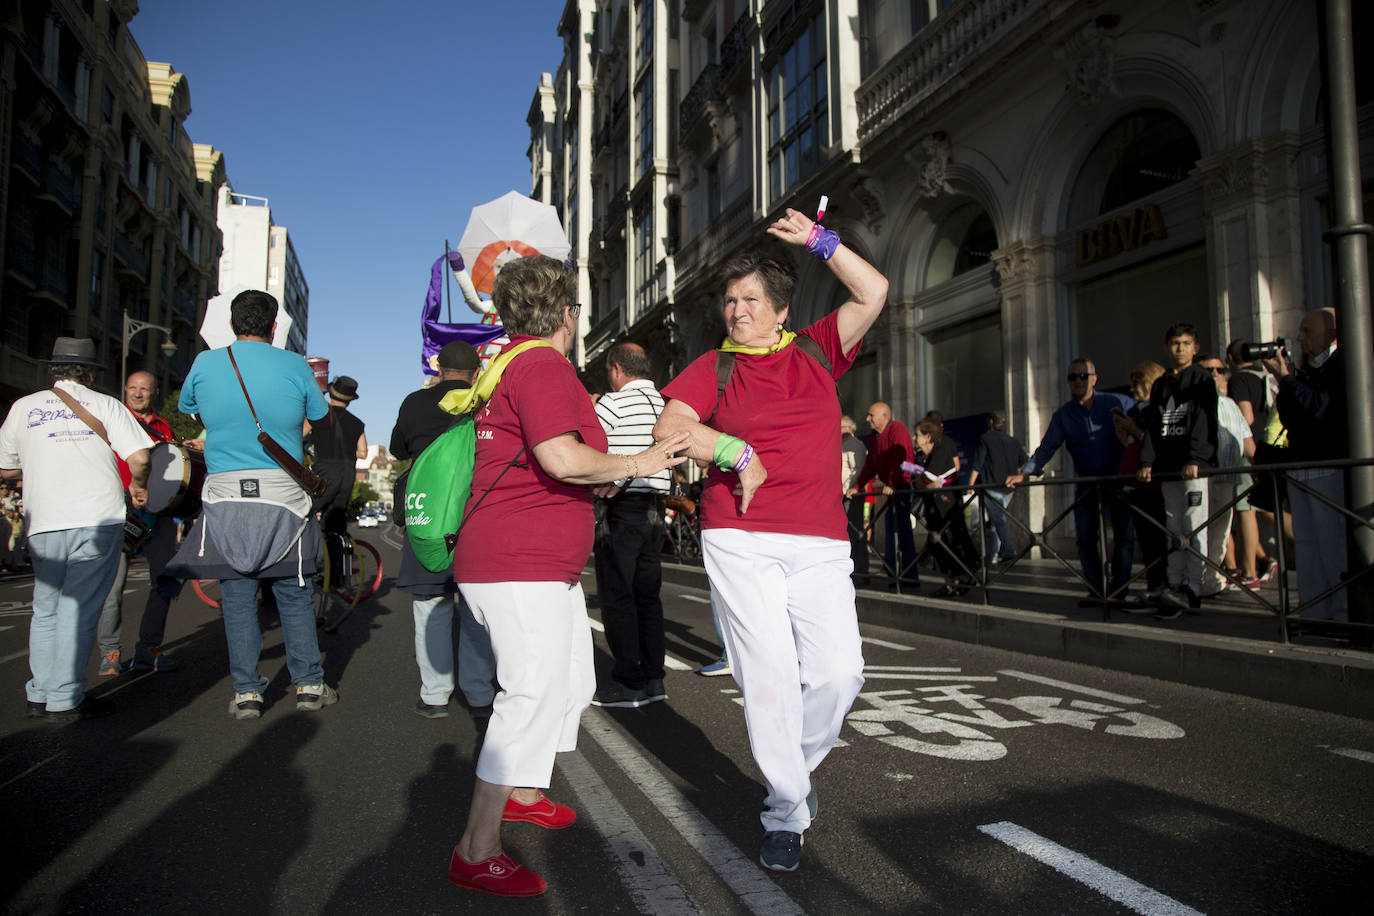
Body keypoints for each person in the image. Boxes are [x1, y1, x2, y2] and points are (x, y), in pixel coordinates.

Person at [656, 208, 889, 873]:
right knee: (768, 678)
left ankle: (795, 769)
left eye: (750, 299)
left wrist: (821, 241)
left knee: (840, 674)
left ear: (780, 309)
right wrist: (731, 448)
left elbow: (873, 292)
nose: (736, 310)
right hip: (740, 536)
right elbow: (671, 428)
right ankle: (786, 807)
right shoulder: (713, 368)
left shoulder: (818, 349)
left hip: (819, 539)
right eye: (730, 301)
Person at [447, 255, 686, 898]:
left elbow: (555, 459)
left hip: (532, 563)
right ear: (568, 315)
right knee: (528, 694)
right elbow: (558, 456)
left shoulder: (511, 363)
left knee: (572, 680)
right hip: (516, 561)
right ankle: (476, 848)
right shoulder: (542, 363)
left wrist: (602, 474)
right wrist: (641, 460)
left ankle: (523, 791)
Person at [168, 289, 337, 719]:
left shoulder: (207, 362)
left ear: (231, 324)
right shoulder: (294, 365)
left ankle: (247, 692)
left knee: (238, 595)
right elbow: (321, 419)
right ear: (275, 326)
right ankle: (310, 684)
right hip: (284, 491)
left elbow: (189, 407)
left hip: (225, 491)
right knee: (294, 592)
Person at [0, 337, 153, 720]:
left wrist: (37, 463)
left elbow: (4, 467)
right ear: (88, 373)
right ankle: (65, 698)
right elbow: (139, 456)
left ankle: (40, 692)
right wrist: (138, 484)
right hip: (96, 519)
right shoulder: (105, 405)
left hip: (44, 520)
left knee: (46, 608)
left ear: (53, 370)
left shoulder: (23, 408)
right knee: (80, 610)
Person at [389, 341, 495, 721]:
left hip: (429, 513)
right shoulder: (483, 401)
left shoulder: (414, 402)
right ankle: (480, 692)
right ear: (475, 372)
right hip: (475, 511)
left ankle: (435, 695)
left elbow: (398, 449)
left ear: (439, 370)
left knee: (430, 608)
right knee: (476, 609)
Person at [1005, 358, 1135, 605]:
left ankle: (1121, 589)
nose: (1077, 381)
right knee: (1085, 538)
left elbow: (1142, 420)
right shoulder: (1064, 415)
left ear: (1094, 378)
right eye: (1072, 377)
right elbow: (1046, 448)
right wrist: (1024, 472)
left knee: (1124, 536)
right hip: (1086, 482)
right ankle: (1096, 589)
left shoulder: (1115, 403)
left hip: (1118, 480)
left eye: (1083, 376)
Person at [591, 342, 672, 708]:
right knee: (647, 595)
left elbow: (591, 446)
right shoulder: (665, 404)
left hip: (619, 502)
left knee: (618, 594)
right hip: (655, 504)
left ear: (617, 369)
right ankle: (654, 677)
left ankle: (628, 682)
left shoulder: (613, 402)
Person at [95, 370, 186, 677]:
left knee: (164, 580)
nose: (137, 393)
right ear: (125, 390)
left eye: (143, 389)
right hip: (119, 509)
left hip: (157, 513)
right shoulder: (112, 421)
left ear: (154, 392)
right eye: (132, 388)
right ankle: (110, 652)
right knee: (112, 586)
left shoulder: (164, 427)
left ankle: (148, 648)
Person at [1262, 307, 1348, 623]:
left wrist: (1286, 378)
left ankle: (1342, 616)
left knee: (1332, 546)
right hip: (1300, 466)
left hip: (1329, 466)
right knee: (1307, 547)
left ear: (1331, 334)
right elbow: (1290, 415)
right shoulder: (1305, 369)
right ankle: (1314, 614)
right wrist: (1286, 378)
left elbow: (1319, 409)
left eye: (1307, 331)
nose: (1300, 338)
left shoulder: (1342, 365)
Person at [1136, 324, 1218, 614]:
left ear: (1195, 347)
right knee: (1173, 526)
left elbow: (1204, 422)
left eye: (1185, 343)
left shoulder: (1202, 378)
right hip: (1168, 467)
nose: (1180, 348)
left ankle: (1193, 588)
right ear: (1166, 348)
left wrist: (1196, 459)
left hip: (1192, 467)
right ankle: (1172, 584)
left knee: (1194, 525)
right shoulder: (1160, 384)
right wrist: (1147, 462)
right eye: (1174, 343)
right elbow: (1153, 427)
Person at [1194, 354, 1254, 602]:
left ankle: (1212, 581)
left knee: (1220, 532)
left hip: (1226, 478)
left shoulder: (1229, 404)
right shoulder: (1193, 404)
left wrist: (1263, 465)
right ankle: (1193, 582)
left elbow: (1246, 440)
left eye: (1220, 370)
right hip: (1200, 478)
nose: (1216, 374)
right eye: (1210, 371)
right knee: (1197, 532)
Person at [1113, 361, 1169, 609]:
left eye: (1139, 383)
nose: (1133, 388)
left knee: (1155, 541)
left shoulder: (1157, 411)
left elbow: (1153, 441)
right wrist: (1123, 433)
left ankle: (1159, 589)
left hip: (1150, 483)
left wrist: (1134, 429)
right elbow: (1134, 444)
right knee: (1144, 542)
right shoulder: (1137, 410)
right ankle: (1152, 588)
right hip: (1133, 481)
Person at [1224, 340, 1278, 588]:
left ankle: (1249, 573)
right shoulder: (1265, 375)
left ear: (1229, 358)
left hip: (1249, 450)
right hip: (1269, 446)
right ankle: (1266, 560)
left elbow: (1246, 417)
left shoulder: (1238, 380)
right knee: (1264, 508)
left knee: (1246, 511)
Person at [850, 402, 918, 586]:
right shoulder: (875, 436)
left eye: (871, 415)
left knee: (901, 529)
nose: (867, 419)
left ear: (884, 416)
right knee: (892, 527)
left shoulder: (897, 428)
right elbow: (871, 465)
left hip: (900, 486)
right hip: (892, 486)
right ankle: (895, 571)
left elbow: (902, 459)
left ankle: (908, 575)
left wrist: (894, 483)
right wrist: (857, 486)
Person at [913, 418, 980, 595]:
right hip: (934, 506)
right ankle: (949, 582)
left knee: (952, 541)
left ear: (928, 436)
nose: (914, 438)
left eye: (918, 435)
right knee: (938, 544)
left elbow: (927, 478)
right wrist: (924, 483)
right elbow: (920, 481)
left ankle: (964, 579)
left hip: (947, 506)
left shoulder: (941, 449)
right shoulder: (924, 455)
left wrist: (925, 482)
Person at [311, 375, 367, 576]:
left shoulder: (319, 415)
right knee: (335, 519)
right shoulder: (357, 423)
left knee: (304, 511)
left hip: (325, 470)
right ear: (350, 399)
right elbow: (363, 452)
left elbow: (299, 435)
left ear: (331, 393)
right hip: (347, 472)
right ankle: (334, 572)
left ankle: (309, 558)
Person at [966, 410, 1026, 564]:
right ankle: (992, 555)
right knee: (994, 522)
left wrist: (971, 484)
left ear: (991, 421)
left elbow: (978, 463)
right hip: (1008, 487)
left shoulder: (985, 438)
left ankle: (1008, 550)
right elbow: (1024, 462)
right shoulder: (1013, 441)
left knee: (998, 520)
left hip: (992, 486)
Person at [841, 415, 870, 584]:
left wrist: (851, 487)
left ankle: (861, 570)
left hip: (851, 495)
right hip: (841, 495)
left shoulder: (856, 446)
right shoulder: (838, 445)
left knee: (855, 532)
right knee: (847, 533)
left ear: (849, 428)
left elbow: (858, 470)